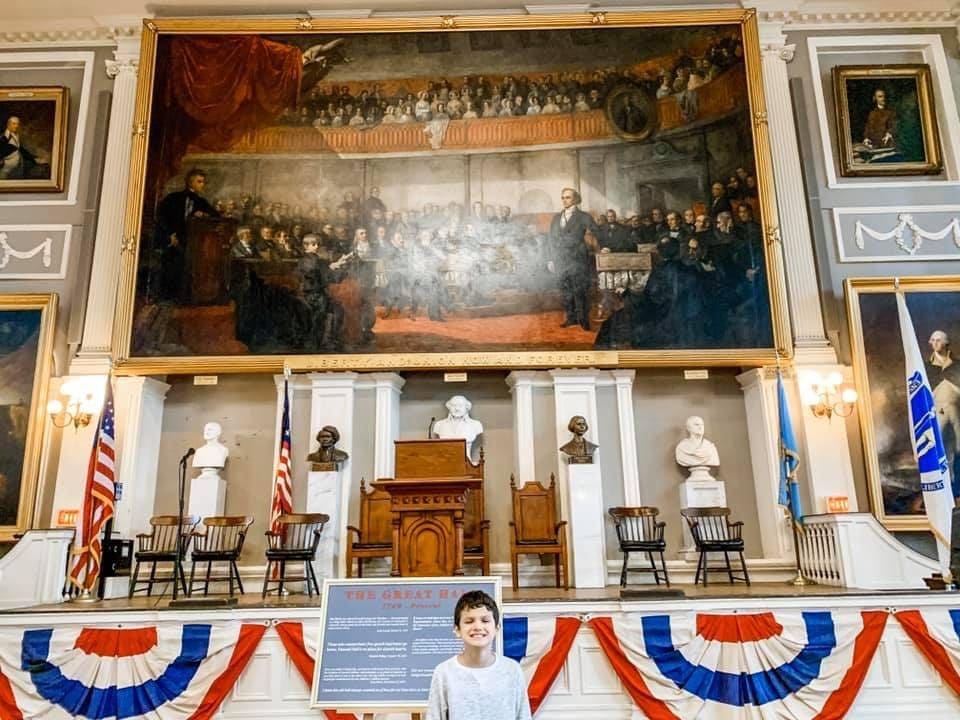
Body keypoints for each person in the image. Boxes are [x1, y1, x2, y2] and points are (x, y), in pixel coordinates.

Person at [426, 590, 531, 720]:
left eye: (485, 620)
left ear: (497, 628)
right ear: (457, 629)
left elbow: (523, 716)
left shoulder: (512, 670)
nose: (477, 627)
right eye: (469, 621)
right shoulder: (444, 673)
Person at [155, 168, 220, 301]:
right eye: (200, 182)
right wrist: (170, 234)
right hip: (171, 238)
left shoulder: (201, 202)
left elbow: (216, 216)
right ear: (190, 182)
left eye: (203, 182)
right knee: (170, 267)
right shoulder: (173, 198)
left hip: (190, 241)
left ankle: (183, 297)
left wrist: (204, 214)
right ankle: (166, 297)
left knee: (187, 268)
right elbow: (160, 216)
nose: (203, 185)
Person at [547, 187, 597, 331]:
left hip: (577, 258)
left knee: (579, 289)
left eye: (568, 197)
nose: (564, 200)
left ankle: (583, 320)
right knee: (565, 289)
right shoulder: (557, 217)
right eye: (563, 197)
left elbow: (596, 232)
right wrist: (550, 259)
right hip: (560, 259)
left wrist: (596, 245)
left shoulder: (584, 216)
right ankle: (570, 318)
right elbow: (550, 239)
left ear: (575, 199)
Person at [928, 330, 960, 497]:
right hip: (937, 411)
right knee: (939, 449)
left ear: (946, 343)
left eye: (938, 340)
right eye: (932, 340)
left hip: (956, 411)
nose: (935, 343)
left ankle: (957, 489)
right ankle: (944, 488)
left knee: (958, 448)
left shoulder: (957, 366)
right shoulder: (927, 367)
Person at [0, 115, 47, 180]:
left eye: (17, 124)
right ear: (8, 124)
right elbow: (2, 151)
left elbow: (20, 149)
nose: (16, 126)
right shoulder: (4, 137)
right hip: (6, 170)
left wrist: (34, 158)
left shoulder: (15, 135)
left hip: (17, 169)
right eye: (14, 124)